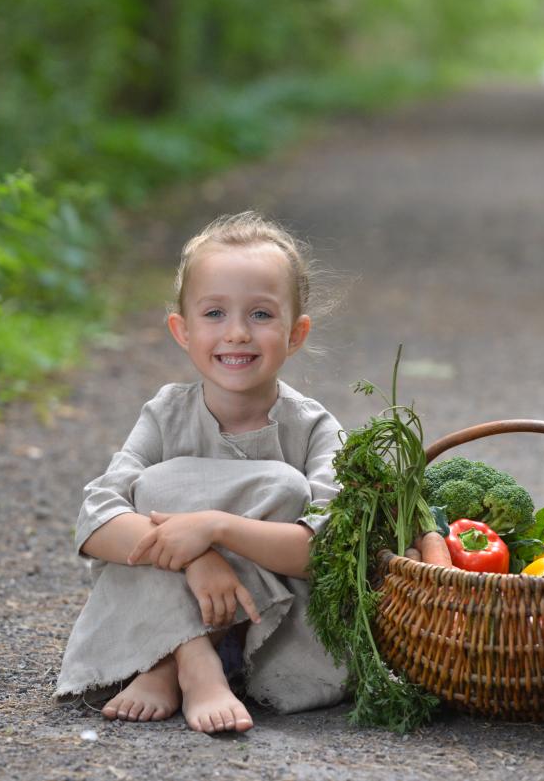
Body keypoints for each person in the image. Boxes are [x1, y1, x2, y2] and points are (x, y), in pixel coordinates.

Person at [56, 211, 346, 734]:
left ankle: (171, 661)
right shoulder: (166, 414)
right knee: (149, 488)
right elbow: (96, 522)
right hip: (166, 604)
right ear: (182, 330)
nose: (236, 333)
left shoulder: (315, 429)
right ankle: (190, 659)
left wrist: (218, 528)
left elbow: (325, 550)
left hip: (271, 635)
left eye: (261, 314)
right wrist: (197, 558)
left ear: (296, 333)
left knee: (285, 487)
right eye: (214, 313)